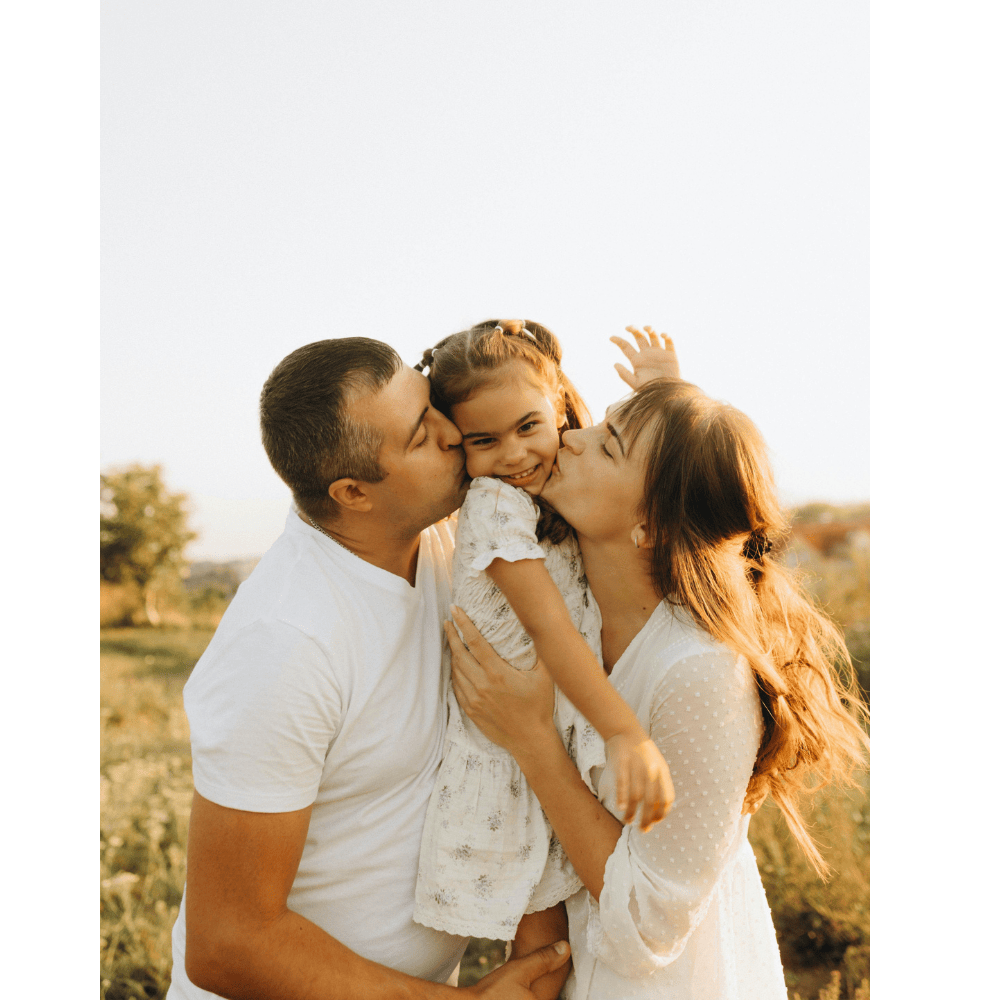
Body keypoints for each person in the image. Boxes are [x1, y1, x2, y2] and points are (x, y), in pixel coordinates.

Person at [447, 354, 869, 999]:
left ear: (650, 525)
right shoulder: (575, 605)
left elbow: (648, 929)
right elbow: (690, 463)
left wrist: (532, 742)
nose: (570, 437)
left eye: (608, 446)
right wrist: (660, 393)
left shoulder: (700, 673)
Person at [168, 337, 572, 999]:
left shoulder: (447, 536)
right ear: (354, 492)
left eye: (430, 400)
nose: (454, 433)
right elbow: (226, 943)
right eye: (421, 435)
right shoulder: (285, 643)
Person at [411, 320, 675, 971]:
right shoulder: (496, 508)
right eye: (483, 440)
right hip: (502, 754)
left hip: (556, 722)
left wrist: (661, 395)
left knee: (579, 931)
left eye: (529, 426)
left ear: (560, 403)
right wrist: (625, 734)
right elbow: (550, 629)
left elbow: (668, 471)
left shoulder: (560, 484)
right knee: (543, 943)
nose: (513, 454)